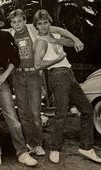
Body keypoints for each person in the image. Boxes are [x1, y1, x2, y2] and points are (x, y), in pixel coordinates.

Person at [6, 9, 84, 156]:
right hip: (17, 76)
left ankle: (38, 143)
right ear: (11, 23)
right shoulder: (10, 33)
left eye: (20, 21)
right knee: (23, 113)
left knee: (35, 112)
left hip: (33, 75)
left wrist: (74, 39)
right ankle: (29, 143)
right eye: (14, 22)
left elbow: (58, 29)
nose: (17, 24)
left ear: (25, 20)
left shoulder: (33, 30)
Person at [33, 9, 101, 164]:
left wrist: (67, 41)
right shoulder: (40, 42)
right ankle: (55, 148)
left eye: (45, 23)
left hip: (69, 74)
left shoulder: (53, 33)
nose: (43, 26)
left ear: (49, 22)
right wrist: (57, 60)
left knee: (87, 110)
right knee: (61, 113)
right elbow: (38, 64)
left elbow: (68, 39)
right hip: (57, 74)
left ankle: (86, 147)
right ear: (36, 26)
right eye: (40, 24)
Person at [0, 7, 38, 167]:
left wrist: (4, 76)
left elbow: (15, 59)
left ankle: (22, 152)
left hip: (0, 76)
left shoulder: (3, 35)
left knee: (11, 115)